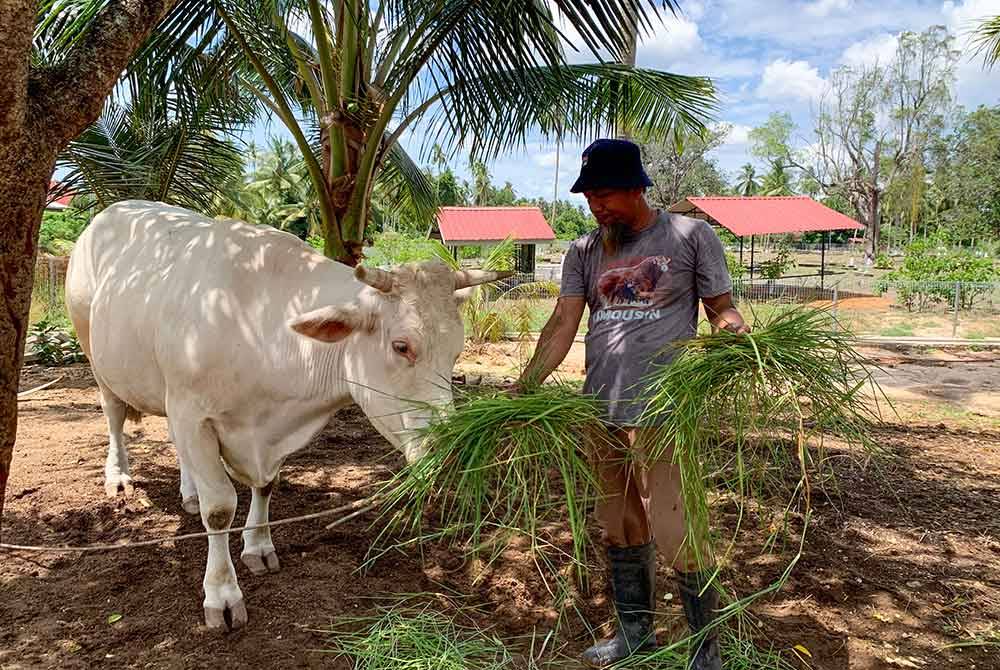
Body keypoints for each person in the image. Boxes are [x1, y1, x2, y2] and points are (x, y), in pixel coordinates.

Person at [514, 138, 749, 669]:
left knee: (676, 526)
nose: (597, 205)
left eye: (606, 194)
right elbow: (561, 324)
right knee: (618, 523)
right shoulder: (583, 251)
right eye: (589, 196)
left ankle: (705, 648)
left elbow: (721, 309)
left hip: (665, 409)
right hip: (600, 408)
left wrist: (737, 338)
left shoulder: (689, 235)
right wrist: (525, 384)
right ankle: (635, 635)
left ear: (638, 188)